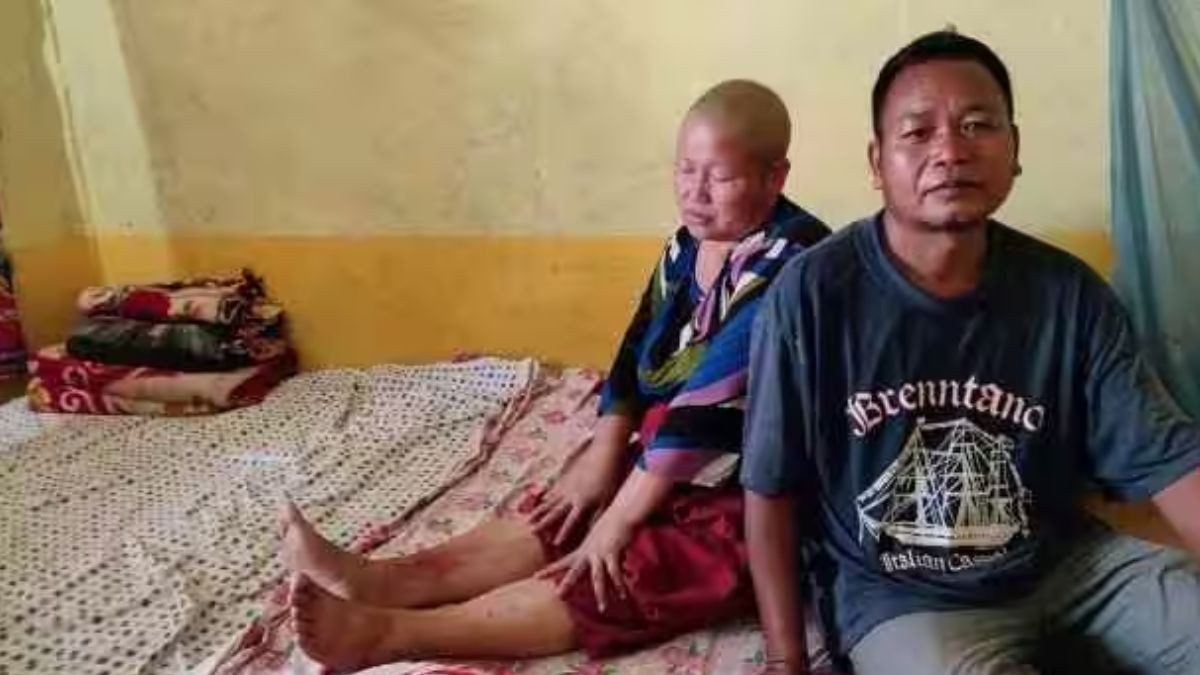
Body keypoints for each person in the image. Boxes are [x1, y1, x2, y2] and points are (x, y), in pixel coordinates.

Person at [278, 79, 830, 670]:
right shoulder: (687, 247)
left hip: (761, 489)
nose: (695, 193)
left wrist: (617, 521)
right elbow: (634, 355)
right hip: (677, 458)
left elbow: (701, 412)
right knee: (567, 508)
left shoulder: (794, 266)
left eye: (718, 177)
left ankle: (393, 634)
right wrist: (602, 461)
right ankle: (386, 581)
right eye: (685, 170)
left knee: (616, 565)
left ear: (775, 177)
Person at [742, 31, 1200, 675]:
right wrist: (785, 661)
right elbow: (769, 490)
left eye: (978, 125)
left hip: (1069, 566)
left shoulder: (1069, 294)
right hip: (905, 598)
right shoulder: (811, 297)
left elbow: (1171, 464)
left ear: (1015, 150)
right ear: (877, 162)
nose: (951, 152)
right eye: (918, 132)